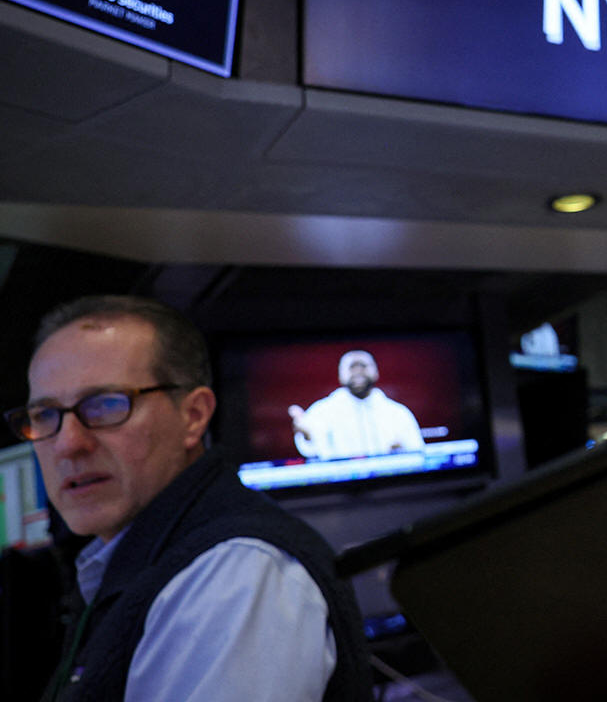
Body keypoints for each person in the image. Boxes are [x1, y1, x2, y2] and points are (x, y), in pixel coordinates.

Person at [6, 295, 371, 701]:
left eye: (106, 405)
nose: (67, 444)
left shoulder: (235, 573)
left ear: (193, 416)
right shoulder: (127, 558)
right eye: (45, 416)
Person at [288, 349, 424, 460]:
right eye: (351, 367)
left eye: (363, 366)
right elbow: (310, 451)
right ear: (340, 375)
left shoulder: (398, 413)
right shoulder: (322, 411)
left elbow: (418, 453)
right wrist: (307, 436)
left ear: (376, 372)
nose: (358, 371)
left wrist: (401, 453)